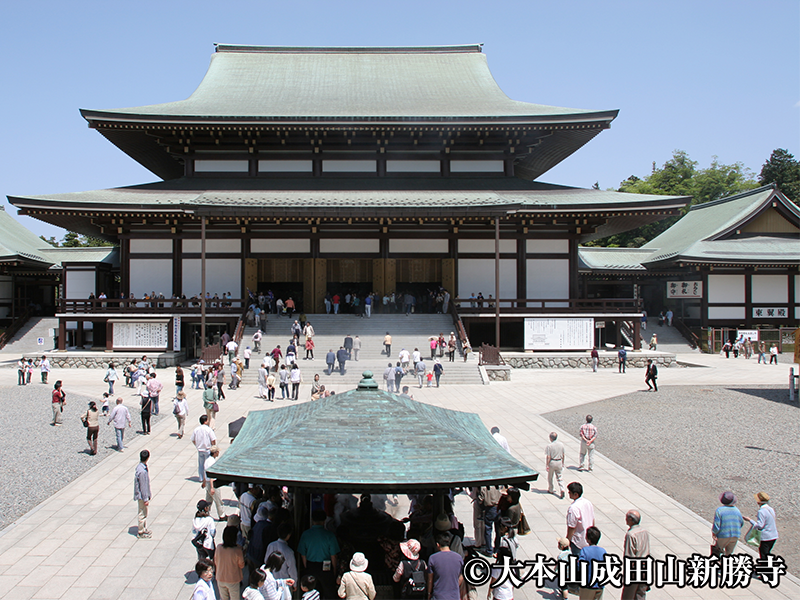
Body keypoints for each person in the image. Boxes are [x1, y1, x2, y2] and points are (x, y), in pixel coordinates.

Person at [297, 509, 340, 600]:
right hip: (326, 567)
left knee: (312, 593)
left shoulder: (306, 534)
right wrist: (334, 570)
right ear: (324, 521)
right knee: (329, 593)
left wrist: (307, 567)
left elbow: (303, 555)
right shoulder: (330, 535)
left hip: (311, 565)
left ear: (312, 520)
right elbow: (334, 556)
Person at [621, 510, 650, 600]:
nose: (625, 519)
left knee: (628, 596)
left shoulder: (631, 534)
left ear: (631, 519)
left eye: (626, 517)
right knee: (640, 595)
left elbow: (629, 556)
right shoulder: (644, 532)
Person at [426, 532, 463, 600]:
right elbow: (461, 577)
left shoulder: (433, 558)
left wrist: (429, 593)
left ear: (438, 545)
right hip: (454, 596)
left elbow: (430, 580)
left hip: (438, 596)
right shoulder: (459, 558)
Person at [743, 491, 778, 561]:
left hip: (766, 537)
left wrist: (750, 520)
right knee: (767, 554)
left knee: (763, 555)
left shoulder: (761, 511)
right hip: (774, 536)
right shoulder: (771, 509)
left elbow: (760, 525)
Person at [215, 525, 245, 600]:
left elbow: (216, 561)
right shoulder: (237, 550)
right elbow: (241, 565)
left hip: (220, 578)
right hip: (233, 579)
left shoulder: (219, 548)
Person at [566, 482, 595, 555]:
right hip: (589, 539)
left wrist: (567, 540)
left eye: (570, 492)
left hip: (578, 542)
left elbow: (572, 527)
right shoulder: (588, 502)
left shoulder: (573, 508)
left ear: (576, 494)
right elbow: (592, 519)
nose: (568, 493)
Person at [578, 527, 606, 600]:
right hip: (600, 584)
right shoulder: (603, 551)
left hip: (588, 585)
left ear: (587, 539)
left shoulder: (585, 550)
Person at [712, 491, 743, 556]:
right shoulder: (737, 510)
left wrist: (714, 533)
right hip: (735, 534)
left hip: (723, 535)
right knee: (729, 553)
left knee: (718, 550)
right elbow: (741, 523)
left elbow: (717, 525)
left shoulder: (720, 510)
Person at [191, 415, 217, 485]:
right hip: (207, 449)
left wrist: (197, 445)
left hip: (200, 449)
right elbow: (213, 439)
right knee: (208, 464)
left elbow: (193, 439)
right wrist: (214, 446)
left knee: (201, 464)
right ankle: (207, 477)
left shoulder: (196, 429)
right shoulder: (208, 429)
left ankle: (201, 478)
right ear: (206, 421)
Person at [204, 445, 227, 521]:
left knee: (208, 500)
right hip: (212, 484)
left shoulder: (207, 460)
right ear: (215, 453)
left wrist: (204, 482)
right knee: (218, 500)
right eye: (217, 452)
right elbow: (211, 476)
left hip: (207, 483)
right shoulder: (212, 462)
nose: (218, 453)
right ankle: (222, 515)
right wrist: (212, 487)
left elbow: (205, 472)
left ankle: (206, 513)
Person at [477, 486, 501, 556]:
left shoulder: (484, 487)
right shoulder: (498, 485)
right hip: (498, 507)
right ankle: (497, 548)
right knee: (498, 530)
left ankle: (489, 550)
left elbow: (480, 499)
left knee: (488, 530)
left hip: (489, 509)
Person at [134, 449, 152, 539]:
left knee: (144, 512)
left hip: (141, 495)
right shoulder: (142, 471)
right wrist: (145, 499)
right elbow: (143, 486)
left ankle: (144, 528)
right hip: (142, 496)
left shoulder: (140, 467)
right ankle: (141, 532)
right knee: (142, 513)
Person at [545, 432, 566, 498]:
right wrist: (562, 462)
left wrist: (547, 465)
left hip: (552, 462)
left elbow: (548, 456)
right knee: (559, 477)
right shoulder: (561, 444)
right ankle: (562, 488)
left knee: (550, 477)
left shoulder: (549, 446)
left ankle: (551, 489)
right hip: (559, 461)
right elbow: (563, 454)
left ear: (550, 438)